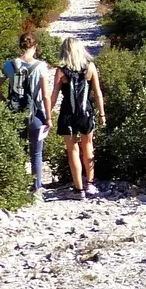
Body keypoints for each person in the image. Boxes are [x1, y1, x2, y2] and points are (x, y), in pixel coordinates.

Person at [0, 30, 53, 202]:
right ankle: (36, 189)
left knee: (17, 150)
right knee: (36, 152)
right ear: (34, 46)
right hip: (36, 113)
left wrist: (6, 103)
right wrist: (48, 117)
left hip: (14, 112)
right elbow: (46, 95)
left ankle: (16, 186)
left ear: (21, 46)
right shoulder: (41, 66)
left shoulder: (8, 65)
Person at [52, 36, 106, 199]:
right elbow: (97, 93)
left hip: (68, 114)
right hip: (86, 113)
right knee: (88, 146)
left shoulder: (61, 70)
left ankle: (78, 189)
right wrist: (102, 113)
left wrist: (47, 114)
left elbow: (54, 95)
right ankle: (90, 184)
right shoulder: (90, 67)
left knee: (72, 151)